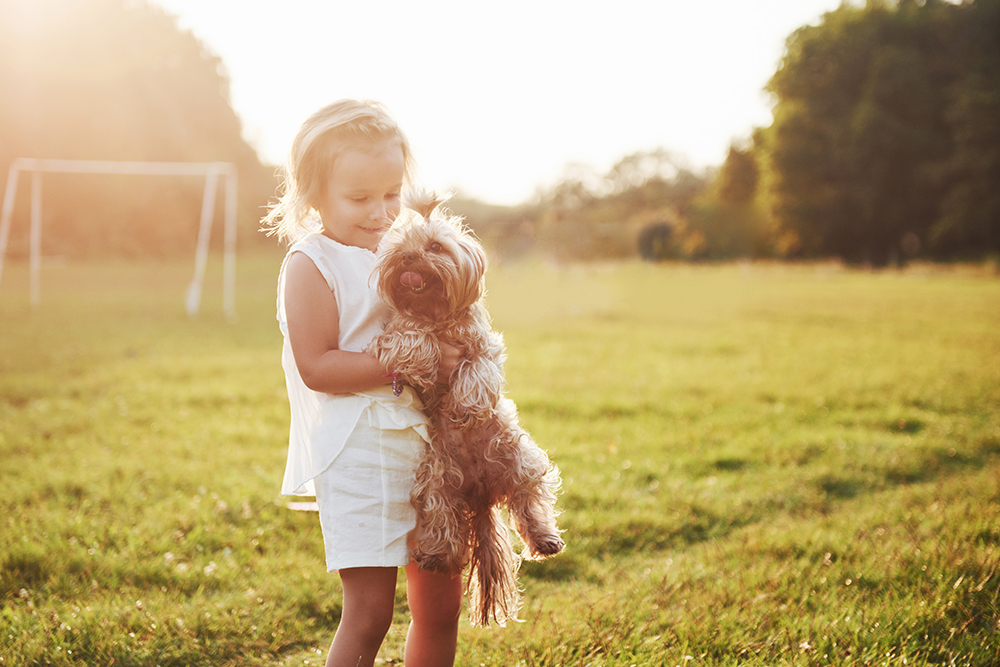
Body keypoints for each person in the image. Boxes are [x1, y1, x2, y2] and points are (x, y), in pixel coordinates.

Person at [263, 99, 464, 667]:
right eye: (359, 198)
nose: (380, 212)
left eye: (391, 193)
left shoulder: (405, 250)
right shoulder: (312, 263)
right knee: (371, 613)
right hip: (359, 450)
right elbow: (318, 367)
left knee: (440, 608)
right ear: (312, 195)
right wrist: (413, 358)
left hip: (430, 447)